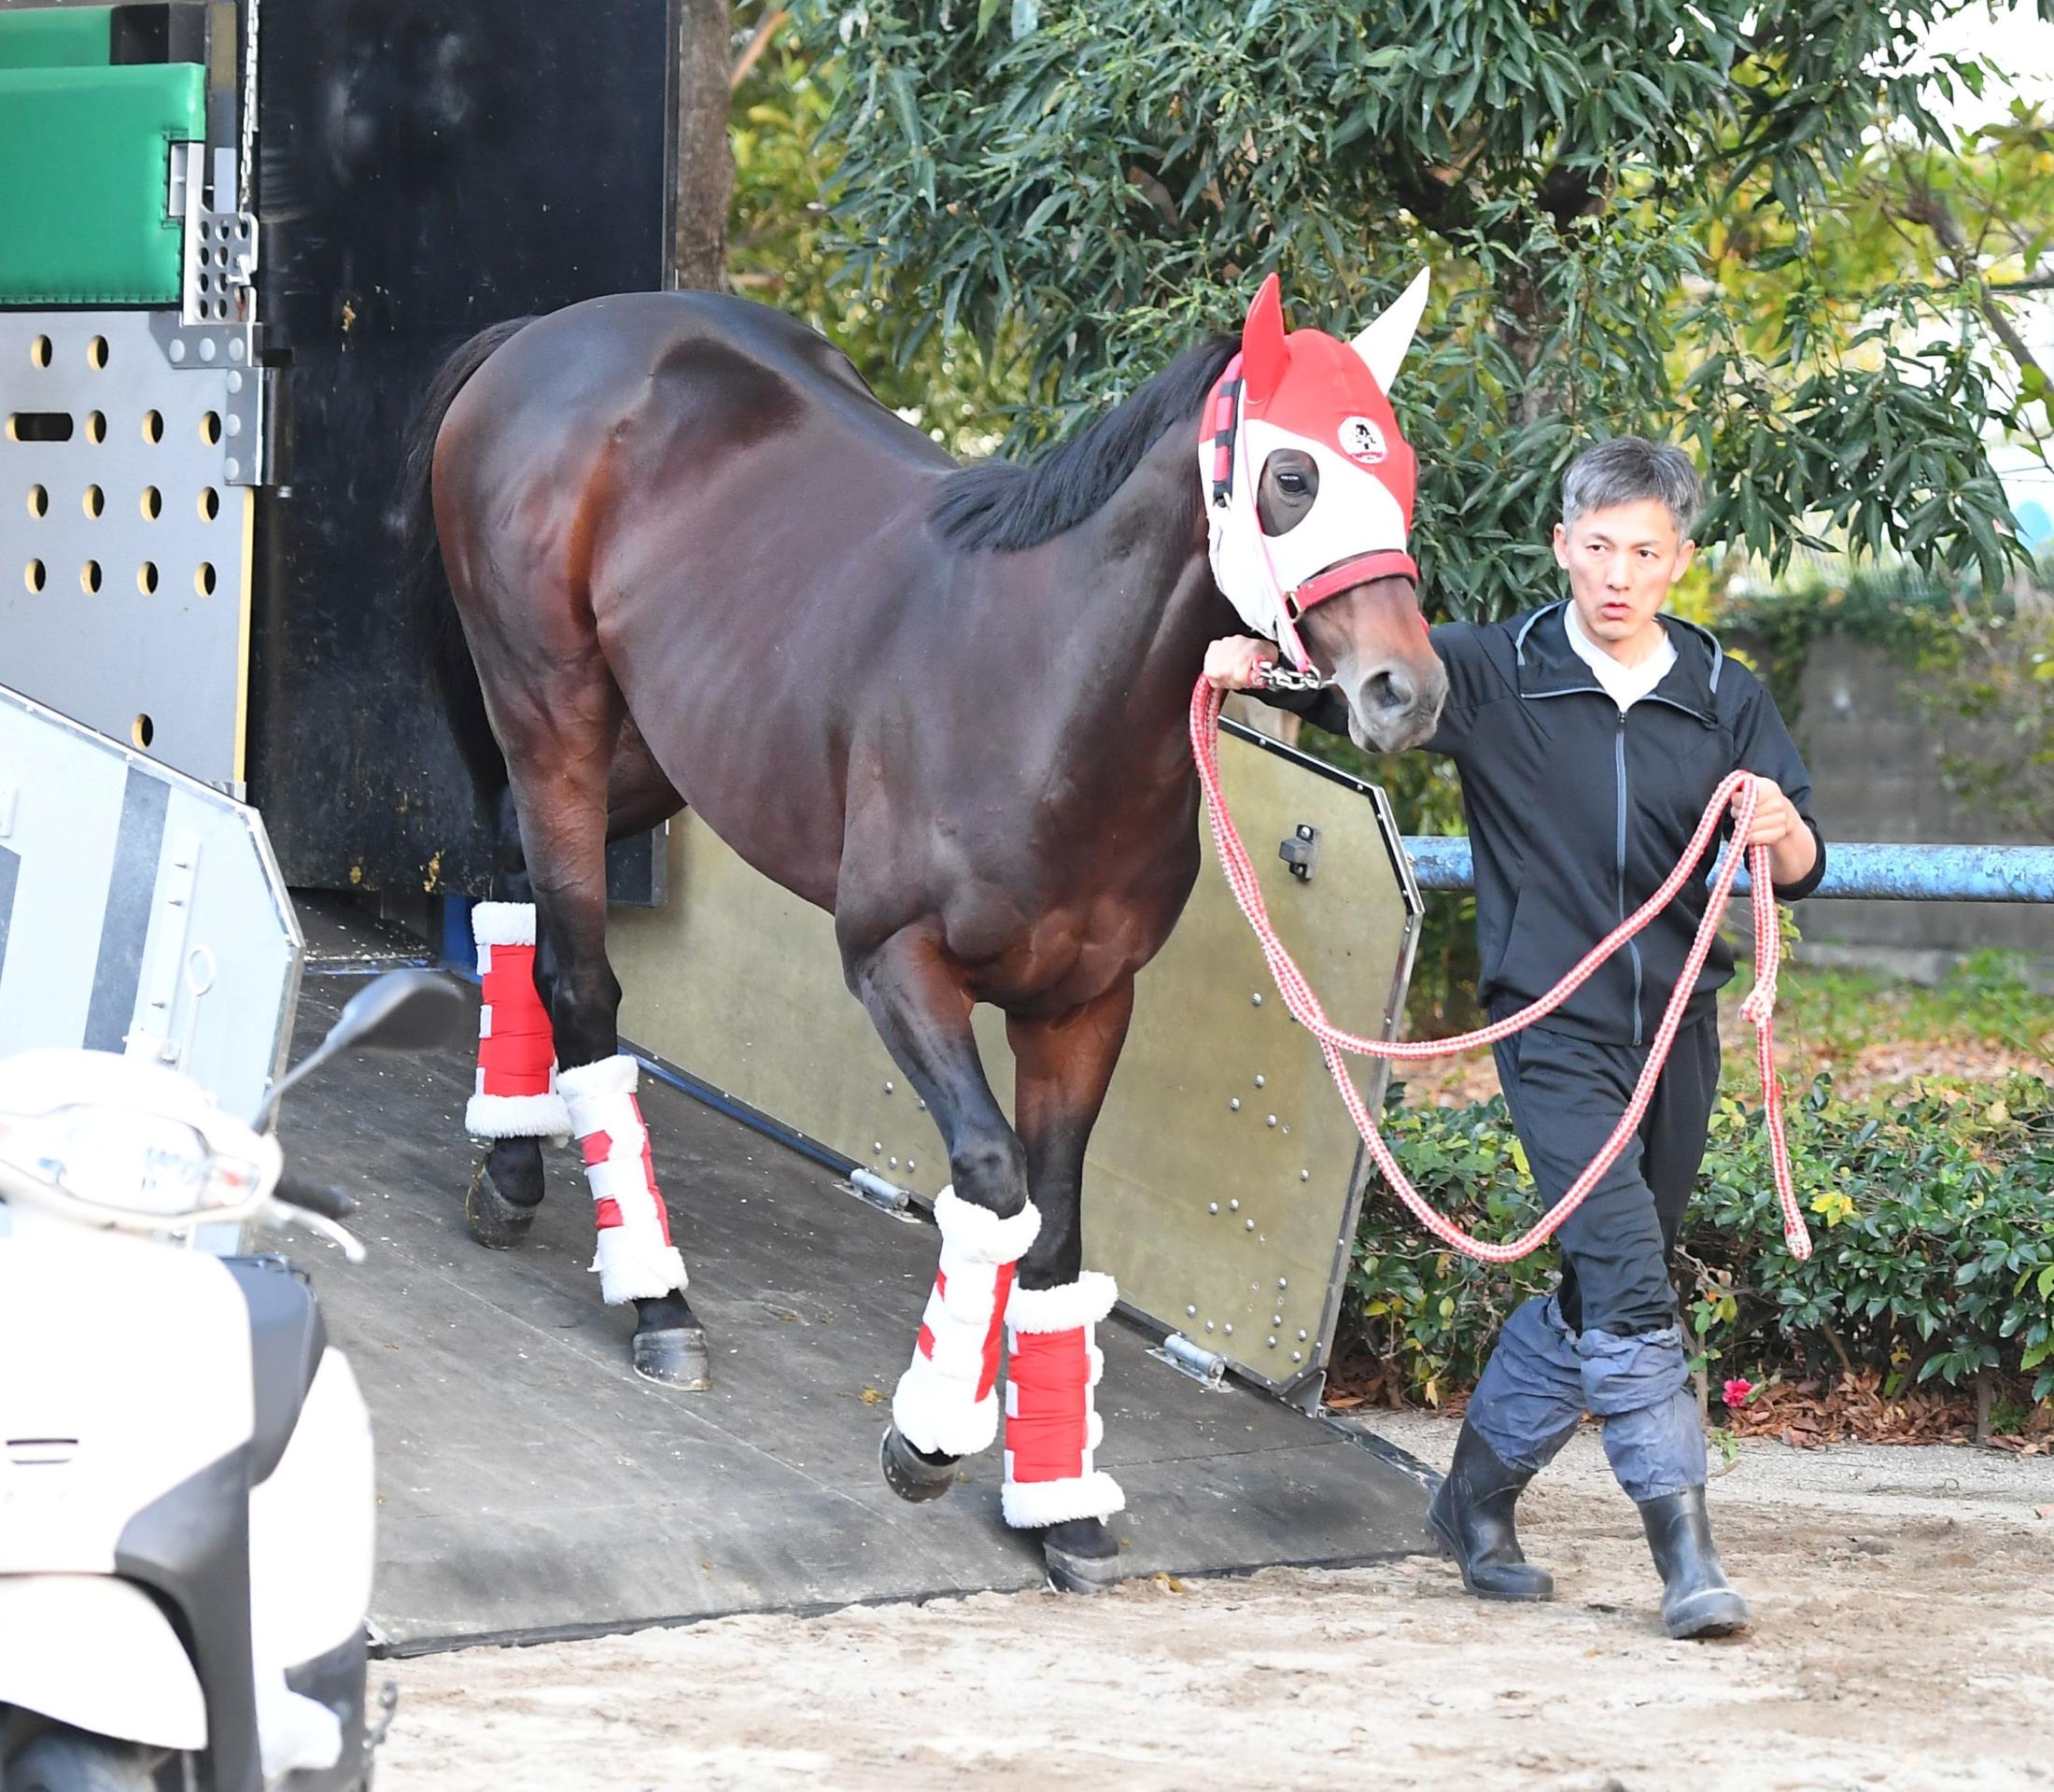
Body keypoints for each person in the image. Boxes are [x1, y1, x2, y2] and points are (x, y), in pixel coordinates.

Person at [1204, 436, 1825, 1639]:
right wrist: (1245, 668)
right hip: (1551, 1031)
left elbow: (1798, 870)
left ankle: (1473, 1504)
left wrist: (1779, 819)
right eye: (1598, 547)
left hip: (1677, 1031)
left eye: (1645, 552)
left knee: (1602, 1283)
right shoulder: (1495, 669)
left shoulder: (1723, 693)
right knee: (1636, 1284)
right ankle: (1686, 1559)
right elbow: (1355, 687)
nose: (1619, 573)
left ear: (1679, 560)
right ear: (1562, 546)